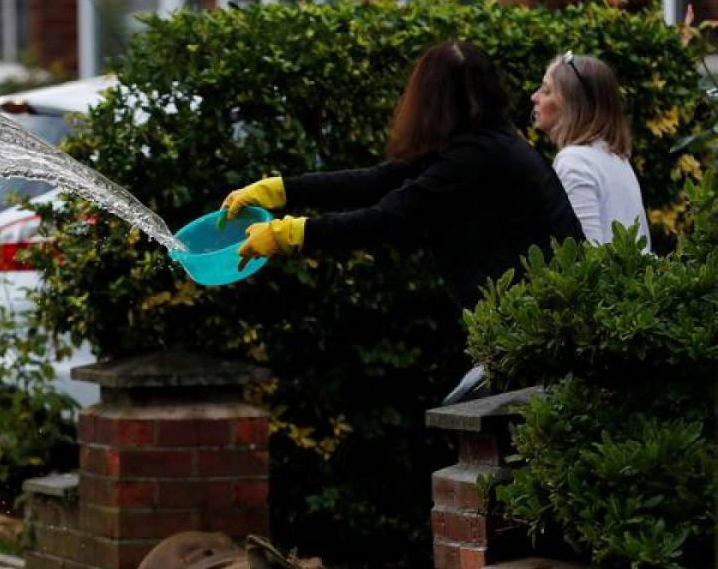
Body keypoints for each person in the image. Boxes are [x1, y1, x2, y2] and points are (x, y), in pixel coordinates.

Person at [223, 39, 584, 403]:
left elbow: (387, 219)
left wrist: (290, 234)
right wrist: (280, 190)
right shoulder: (483, 141)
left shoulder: (476, 156)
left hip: (540, 339)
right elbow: (376, 181)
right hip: (536, 330)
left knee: (468, 416)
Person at [531, 52, 651, 251]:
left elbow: (588, 254)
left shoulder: (574, 161)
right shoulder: (614, 157)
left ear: (572, 104)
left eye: (546, 90)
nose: (535, 97)